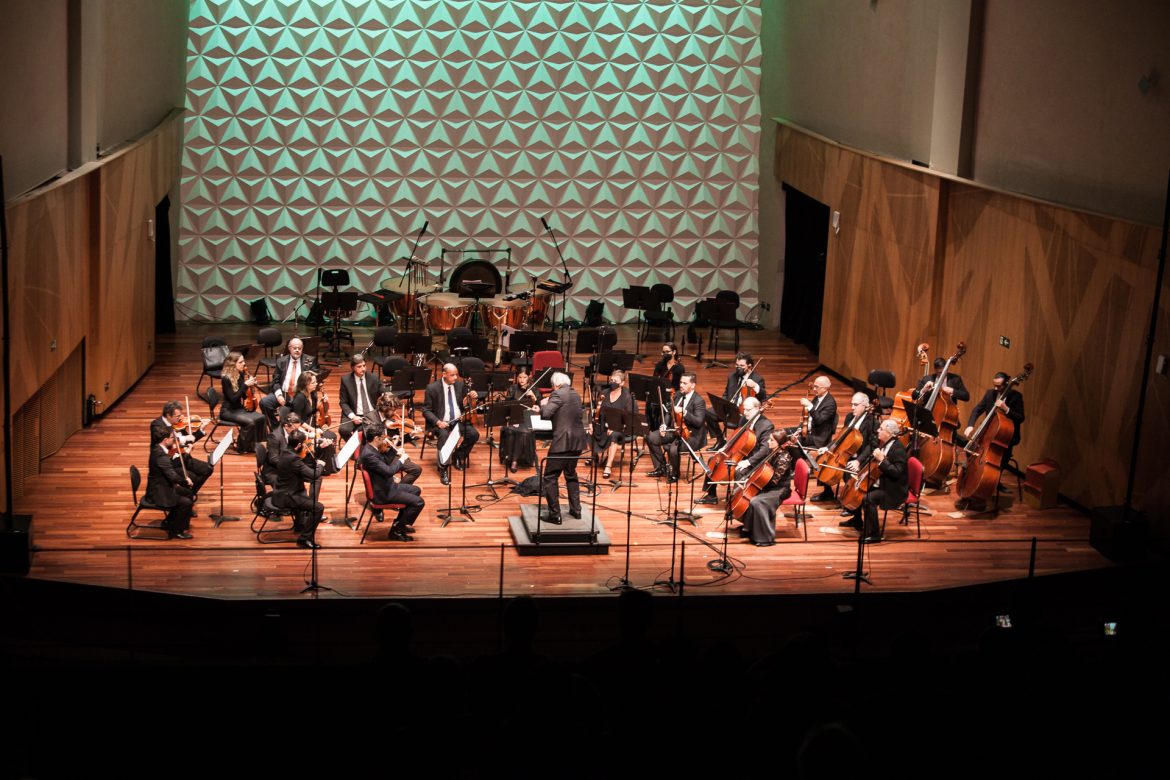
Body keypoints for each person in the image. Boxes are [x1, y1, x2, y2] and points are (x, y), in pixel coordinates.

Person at [533, 372, 589, 524]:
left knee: (550, 477)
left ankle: (555, 515)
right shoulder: (575, 394)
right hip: (577, 441)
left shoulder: (557, 394)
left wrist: (542, 406)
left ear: (556, 384)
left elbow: (546, 414)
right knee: (570, 473)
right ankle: (576, 510)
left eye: (552, 386)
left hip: (563, 442)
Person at [696, 395, 774, 504]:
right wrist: (724, 448)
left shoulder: (766, 425)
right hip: (739, 454)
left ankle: (736, 501)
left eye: (748, 410)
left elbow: (765, 450)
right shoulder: (743, 419)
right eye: (744, 409)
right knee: (713, 461)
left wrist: (748, 462)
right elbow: (736, 437)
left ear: (757, 408)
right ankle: (711, 496)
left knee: (739, 472)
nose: (745, 413)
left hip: (753, 459)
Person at [840, 419, 908, 543]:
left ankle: (874, 534)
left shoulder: (898, 449)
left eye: (881, 429)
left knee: (868, 498)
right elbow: (870, 459)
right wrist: (859, 468)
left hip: (892, 488)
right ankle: (857, 520)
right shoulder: (882, 443)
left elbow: (897, 472)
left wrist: (882, 460)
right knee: (857, 492)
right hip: (880, 481)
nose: (877, 430)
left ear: (890, 434)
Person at [360, 423, 425, 542]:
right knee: (419, 502)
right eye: (382, 437)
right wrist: (401, 460)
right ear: (376, 439)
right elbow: (389, 471)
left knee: (416, 490)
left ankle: (400, 522)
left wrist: (394, 448)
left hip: (386, 486)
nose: (385, 439)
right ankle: (396, 531)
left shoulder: (371, 448)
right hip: (383, 493)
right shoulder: (369, 454)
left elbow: (385, 461)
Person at [964, 371, 1026, 491]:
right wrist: (970, 425)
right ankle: (973, 475)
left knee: (1000, 458)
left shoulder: (1016, 397)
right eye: (994, 385)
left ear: (1006, 384)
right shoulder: (990, 394)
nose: (995, 388)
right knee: (971, 449)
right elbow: (977, 410)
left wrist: (1006, 409)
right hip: (988, 432)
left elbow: (1021, 418)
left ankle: (993, 480)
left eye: (999, 386)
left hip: (1006, 436)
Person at [737, 430, 801, 547]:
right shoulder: (773, 452)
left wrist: (753, 483)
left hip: (780, 489)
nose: (768, 441)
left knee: (756, 502)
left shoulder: (784, 458)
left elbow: (773, 481)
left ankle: (764, 538)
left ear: (779, 443)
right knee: (748, 496)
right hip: (770, 486)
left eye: (771, 440)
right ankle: (750, 530)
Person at [810, 392, 876, 503]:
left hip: (859, 456)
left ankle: (848, 502)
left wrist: (858, 461)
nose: (852, 407)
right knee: (823, 461)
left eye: (855, 405)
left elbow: (872, 446)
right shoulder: (850, 417)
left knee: (848, 471)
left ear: (865, 406)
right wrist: (828, 447)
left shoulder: (872, 422)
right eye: (852, 404)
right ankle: (827, 493)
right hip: (844, 453)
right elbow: (840, 436)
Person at [423, 362, 480, 485]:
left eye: (456, 375)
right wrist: (438, 422)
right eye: (452, 375)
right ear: (444, 374)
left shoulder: (460, 385)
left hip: (458, 421)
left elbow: (466, 404)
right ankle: (443, 467)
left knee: (474, 434)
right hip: (442, 422)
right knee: (444, 436)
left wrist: (472, 397)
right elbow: (426, 410)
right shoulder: (432, 388)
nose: (455, 378)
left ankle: (458, 457)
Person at [646, 371, 706, 483]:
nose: (681, 385)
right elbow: (669, 413)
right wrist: (664, 424)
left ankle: (675, 474)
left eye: (685, 383)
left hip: (691, 435)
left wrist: (685, 412)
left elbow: (698, 422)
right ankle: (661, 467)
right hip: (676, 430)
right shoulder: (678, 394)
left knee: (674, 448)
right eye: (681, 382)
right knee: (650, 437)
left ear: (693, 385)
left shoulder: (699, 401)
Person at [272, 428, 326, 549]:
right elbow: (314, 475)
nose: (306, 446)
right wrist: (321, 466)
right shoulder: (293, 459)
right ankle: (304, 539)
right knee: (318, 508)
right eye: (305, 444)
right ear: (299, 445)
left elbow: (303, 467)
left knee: (304, 493)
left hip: (282, 490)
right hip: (287, 496)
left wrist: (319, 450)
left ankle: (300, 525)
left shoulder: (286, 451)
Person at [704, 352, 766, 450]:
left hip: (744, 412)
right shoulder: (732, 376)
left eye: (741, 366)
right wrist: (723, 404)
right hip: (730, 408)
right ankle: (720, 440)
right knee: (708, 413)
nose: (738, 368)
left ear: (749, 366)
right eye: (737, 365)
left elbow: (763, 397)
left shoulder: (757, 379)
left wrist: (755, 386)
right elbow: (726, 393)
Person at [150, 400, 213, 496]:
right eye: (177, 416)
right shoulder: (156, 425)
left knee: (208, 469)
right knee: (192, 477)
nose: (180, 419)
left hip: (182, 455)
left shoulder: (178, 425)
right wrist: (184, 439)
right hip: (169, 461)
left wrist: (201, 429)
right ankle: (187, 496)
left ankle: (190, 493)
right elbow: (168, 442)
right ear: (168, 415)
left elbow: (189, 440)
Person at [145, 427, 195, 539]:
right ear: (165, 440)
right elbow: (172, 476)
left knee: (188, 493)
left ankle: (170, 522)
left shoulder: (157, 448)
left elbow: (170, 470)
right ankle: (176, 530)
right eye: (173, 438)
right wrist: (185, 481)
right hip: (158, 492)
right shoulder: (161, 456)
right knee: (186, 502)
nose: (175, 440)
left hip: (161, 485)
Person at [587, 368, 637, 480]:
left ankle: (608, 466)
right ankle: (595, 456)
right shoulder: (604, 393)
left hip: (621, 427)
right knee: (590, 430)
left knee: (614, 435)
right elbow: (595, 409)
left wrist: (615, 426)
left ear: (622, 383)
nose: (612, 383)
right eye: (611, 380)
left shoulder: (627, 396)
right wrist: (591, 422)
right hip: (604, 423)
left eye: (615, 381)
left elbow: (630, 417)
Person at [259, 337, 318, 427]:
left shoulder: (309, 361)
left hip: (299, 395)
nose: (297, 350)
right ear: (289, 348)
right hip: (284, 394)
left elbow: (315, 377)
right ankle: (275, 427)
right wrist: (279, 395)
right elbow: (275, 381)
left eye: (300, 348)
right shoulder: (281, 361)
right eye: (295, 348)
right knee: (264, 402)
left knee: (295, 409)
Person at [290, 370, 339, 474]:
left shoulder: (313, 394)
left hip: (312, 425)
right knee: (327, 438)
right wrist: (313, 430)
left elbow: (313, 410)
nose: (316, 384)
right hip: (301, 429)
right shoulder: (299, 399)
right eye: (313, 382)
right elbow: (297, 420)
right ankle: (319, 465)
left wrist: (323, 403)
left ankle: (329, 463)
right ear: (305, 384)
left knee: (332, 435)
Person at [219, 351, 268, 453]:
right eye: (241, 362)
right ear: (233, 364)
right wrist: (245, 385)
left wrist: (250, 387)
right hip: (228, 411)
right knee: (250, 423)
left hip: (238, 408)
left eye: (243, 361)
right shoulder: (226, 379)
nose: (244, 364)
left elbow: (243, 394)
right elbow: (233, 399)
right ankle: (241, 447)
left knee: (262, 417)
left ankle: (258, 444)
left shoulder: (240, 374)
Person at [374, 392, 422, 484]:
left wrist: (410, 435)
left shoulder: (393, 421)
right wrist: (393, 448)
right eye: (392, 410)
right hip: (380, 455)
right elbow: (376, 445)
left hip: (391, 452)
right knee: (415, 469)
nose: (395, 413)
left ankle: (398, 489)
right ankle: (398, 490)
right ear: (384, 409)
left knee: (416, 469)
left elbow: (397, 441)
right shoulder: (373, 419)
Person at [499, 370, 538, 473]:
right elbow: (507, 404)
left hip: (527, 418)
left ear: (528, 378)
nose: (522, 380)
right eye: (520, 377)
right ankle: (509, 457)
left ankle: (514, 461)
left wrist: (533, 397)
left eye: (524, 377)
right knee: (510, 431)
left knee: (523, 433)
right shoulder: (512, 388)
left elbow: (538, 406)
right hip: (514, 416)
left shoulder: (534, 389)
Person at [339, 353, 384, 439]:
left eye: (364, 365)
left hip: (372, 413)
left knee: (375, 430)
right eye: (359, 367)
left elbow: (383, 391)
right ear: (352, 368)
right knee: (344, 430)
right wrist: (353, 416)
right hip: (355, 412)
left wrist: (387, 395)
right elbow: (343, 402)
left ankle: (367, 449)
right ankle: (354, 450)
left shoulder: (374, 378)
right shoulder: (345, 380)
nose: (363, 369)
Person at [649, 342, 684, 429]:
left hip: (673, 394)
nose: (665, 354)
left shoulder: (679, 368)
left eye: (667, 352)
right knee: (650, 403)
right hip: (661, 392)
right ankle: (653, 427)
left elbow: (680, 386)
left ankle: (667, 426)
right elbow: (654, 380)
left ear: (674, 352)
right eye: (663, 352)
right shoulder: (660, 365)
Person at [263, 412, 302, 487]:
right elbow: (273, 459)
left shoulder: (290, 432)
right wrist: (290, 466)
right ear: (286, 426)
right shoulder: (274, 437)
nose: (297, 432)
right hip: (273, 471)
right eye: (295, 429)